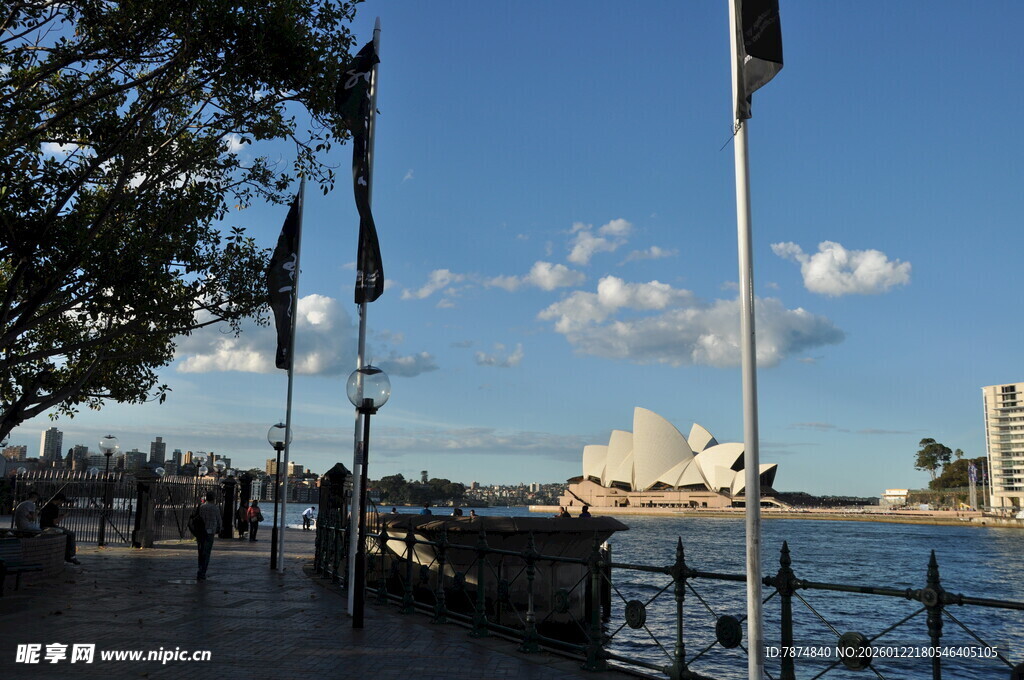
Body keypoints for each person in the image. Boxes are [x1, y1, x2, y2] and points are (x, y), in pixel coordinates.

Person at [39, 493, 80, 564]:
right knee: (71, 534)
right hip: (49, 527)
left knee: (65, 531)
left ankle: (68, 555)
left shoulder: (47, 505)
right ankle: (71, 556)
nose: (62, 504)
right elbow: (54, 522)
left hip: (43, 526)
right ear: (59, 500)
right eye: (62, 502)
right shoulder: (54, 508)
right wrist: (64, 516)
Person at [196, 491, 222, 580]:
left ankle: (200, 569)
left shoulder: (202, 507)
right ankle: (203, 571)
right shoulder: (215, 508)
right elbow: (219, 520)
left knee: (201, 551)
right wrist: (220, 529)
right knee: (207, 552)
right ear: (213, 498)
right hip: (210, 532)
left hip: (201, 531)